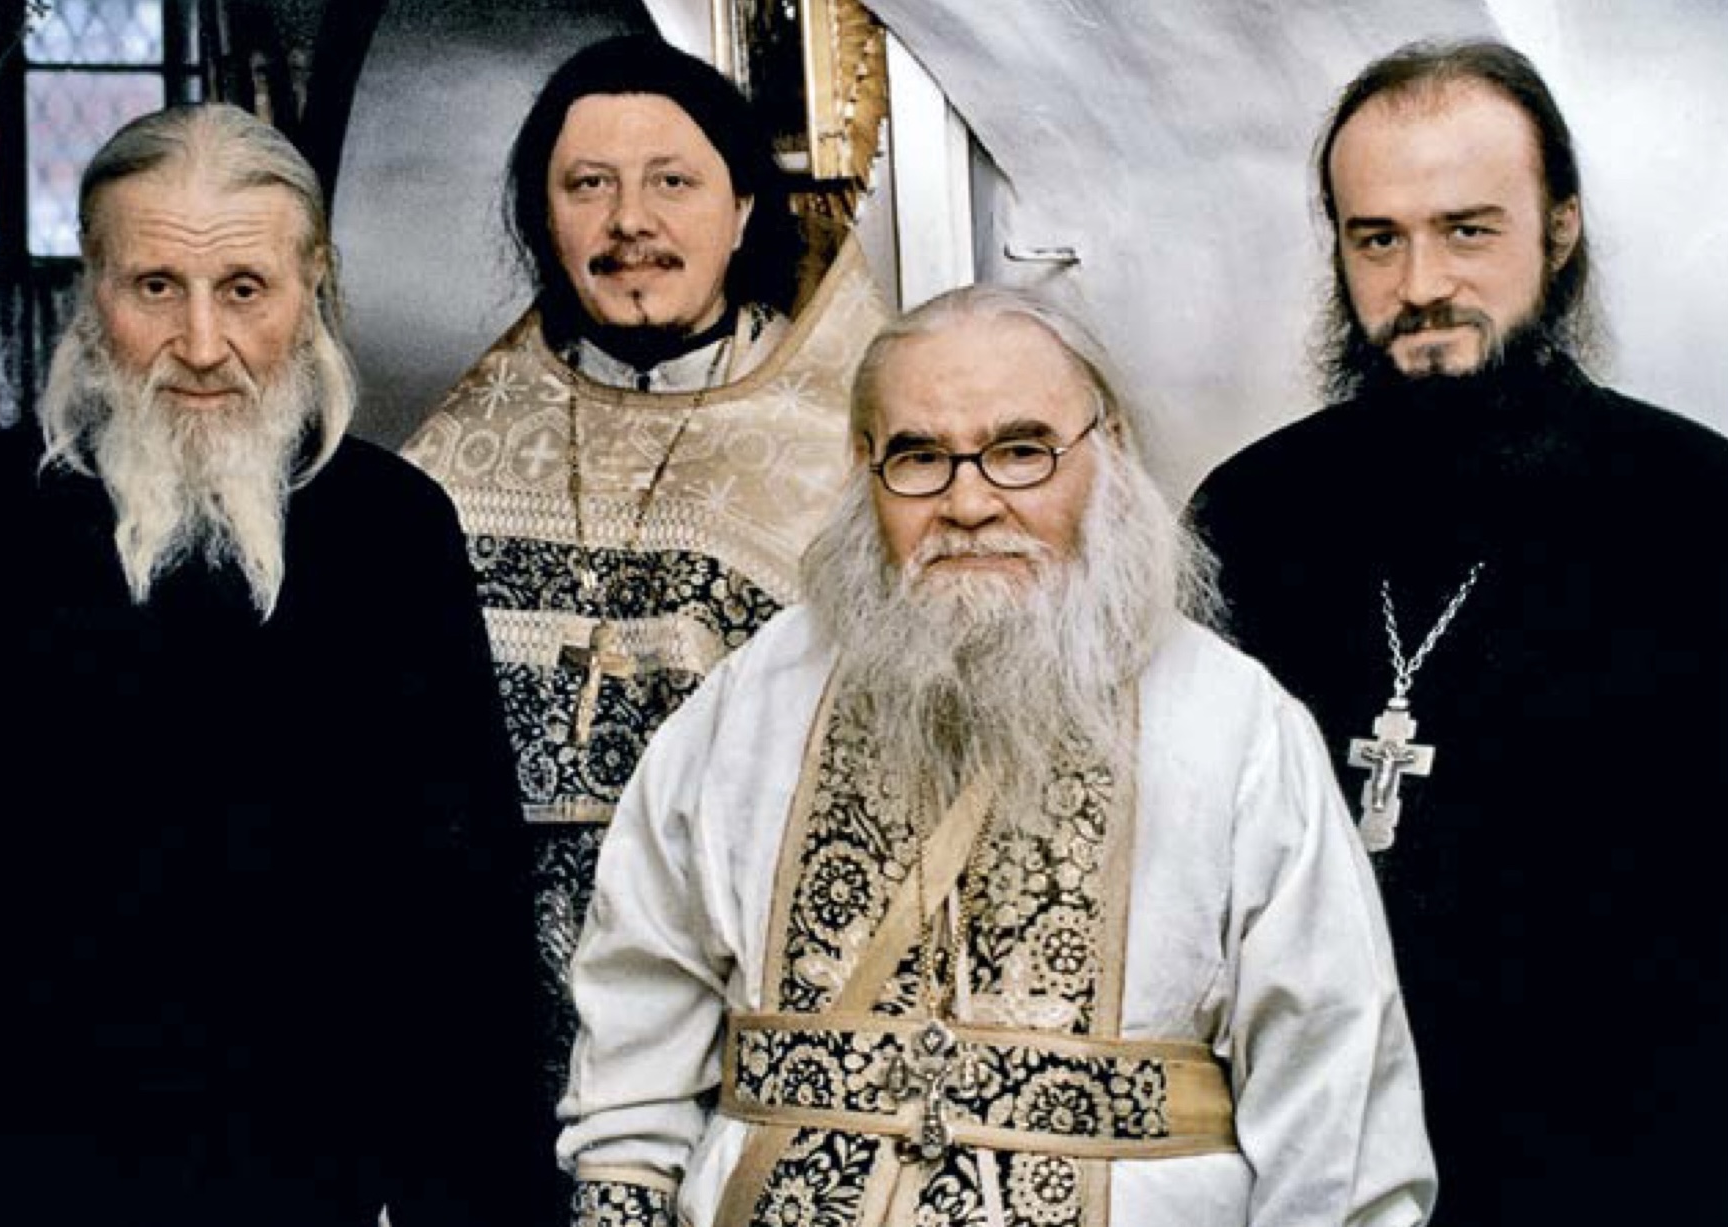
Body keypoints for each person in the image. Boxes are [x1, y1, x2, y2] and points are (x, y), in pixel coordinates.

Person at [557, 285, 1435, 1227]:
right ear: (863, 470)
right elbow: (632, 1066)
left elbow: (1334, 1114)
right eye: (919, 457)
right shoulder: (751, 704)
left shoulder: (1234, 726)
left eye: (1021, 451)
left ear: (1109, 452)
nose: (968, 503)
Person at [0, 104, 529, 1226]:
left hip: (308, 1179)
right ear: (92, 288)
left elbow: (462, 913)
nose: (200, 343)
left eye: (244, 289)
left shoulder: (392, 534)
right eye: (155, 287)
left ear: (312, 287)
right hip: (3, 1174)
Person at [1189, 38, 1728, 1224]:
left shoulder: (1696, 511)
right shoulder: (1247, 517)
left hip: (1626, 1165)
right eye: (1375, 239)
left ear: (1559, 230)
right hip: (1317, 1163)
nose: (1419, 282)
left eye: (1466, 230)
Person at [400, 31, 890, 1214]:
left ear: (740, 208)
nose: (631, 221)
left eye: (672, 181)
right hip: (500, 1036)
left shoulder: (850, 454)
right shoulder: (445, 461)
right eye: (588, 185)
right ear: (544, 218)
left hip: (749, 1014)